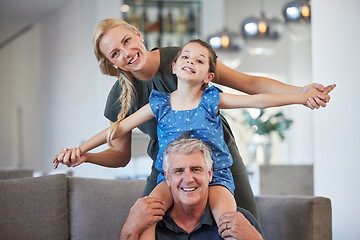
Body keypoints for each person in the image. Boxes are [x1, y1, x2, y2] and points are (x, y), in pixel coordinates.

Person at [53, 18, 335, 222]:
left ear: (138, 35)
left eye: (127, 41)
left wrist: (299, 92)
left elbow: (249, 85)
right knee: (144, 219)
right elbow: (120, 154)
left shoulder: (184, 58)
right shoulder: (121, 98)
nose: (126, 52)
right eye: (115, 53)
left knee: (244, 221)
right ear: (112, 63)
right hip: (167, 163)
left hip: (219, 155)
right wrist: (85, 156)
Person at [120, 135, 264, 240]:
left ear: (209, 174)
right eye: (179, 171)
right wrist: (129, 228)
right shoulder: (150, 224)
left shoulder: (238, 220)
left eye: (196, 169)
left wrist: (254, 238)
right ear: (167, 178)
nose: (188, 179)